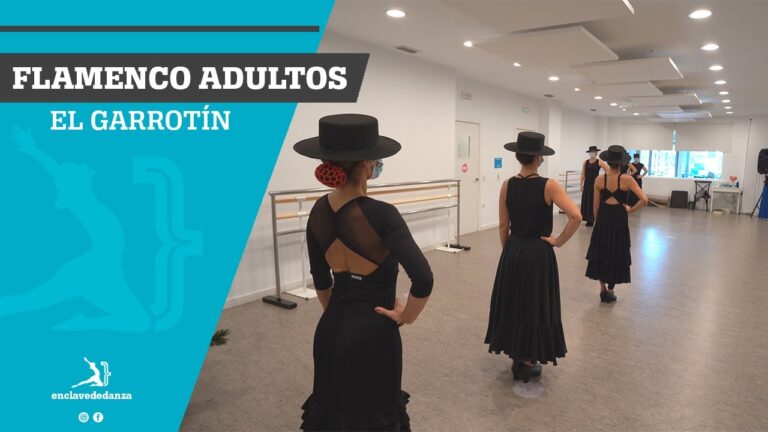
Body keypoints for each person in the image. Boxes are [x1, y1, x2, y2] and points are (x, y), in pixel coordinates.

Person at [294, 114, 433, 431]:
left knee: (334, 414)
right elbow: (423, 278)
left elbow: (321, 279)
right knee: (373, 416)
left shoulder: (317, 211)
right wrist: (406, 316)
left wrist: (338, 313)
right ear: (368, 164)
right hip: (375, 336)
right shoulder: (384, 215)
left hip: (330, 329)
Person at [485, 132, 582, 383]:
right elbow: (576, 216)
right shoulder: (549, 185)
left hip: (514, 250)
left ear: (518, 156)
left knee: (514, 302)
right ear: (539, 158)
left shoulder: (507, 185)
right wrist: (558, 241)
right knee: (534, 303)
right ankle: (528, 360)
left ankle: (516, 354)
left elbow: (503, 226)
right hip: (538, 253)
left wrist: (509, 251)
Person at [586, 145, 648, 303]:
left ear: (608, 161)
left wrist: (597, 222)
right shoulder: (627, 179)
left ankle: (602, 289)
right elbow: (644, 199)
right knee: (616, 251)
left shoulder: (599, 180)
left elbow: (595, 206)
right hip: (619, 217)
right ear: (621, 163)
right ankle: (611, 290)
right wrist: (630, 210)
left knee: (601, 251)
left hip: (603, 217)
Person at [580, 145, 609, 226]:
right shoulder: (585, 162)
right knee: (587, 200)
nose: (592, 153)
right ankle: (587, 218)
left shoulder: (599, 162)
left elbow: (608, 170)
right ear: (589, 153)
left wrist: (602, 179)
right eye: (591, 152)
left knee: (594, 201)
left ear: (596, 153)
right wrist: (581, 184)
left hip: (595, 184)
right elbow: (583, 174)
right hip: (587, 184)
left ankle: (593, 218)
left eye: (593, 152)